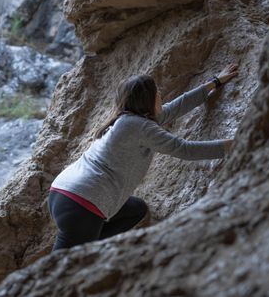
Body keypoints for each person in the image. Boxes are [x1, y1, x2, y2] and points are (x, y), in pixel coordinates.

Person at [48, 64, 239, 251]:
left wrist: (214, 82)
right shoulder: (138, 126)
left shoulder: (129, 120)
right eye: (157, 93)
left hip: (66, 193)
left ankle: (87, 245)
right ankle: (82, 252)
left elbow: (174, 108)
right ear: (148, 98)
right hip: (82, 202)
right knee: (59, 267)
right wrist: (238, 142)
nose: (160, 96)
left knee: (136, 210)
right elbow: (183, 149)